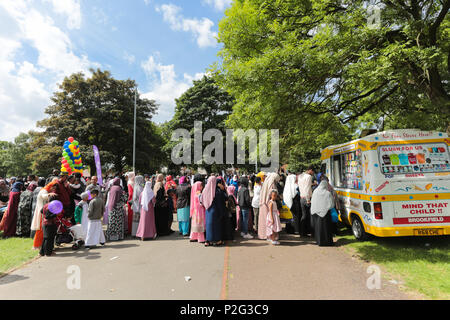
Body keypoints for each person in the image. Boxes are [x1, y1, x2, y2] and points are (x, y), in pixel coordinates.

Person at [31, 180, 58, 249]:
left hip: (43, 212)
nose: (53, 190)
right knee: (40, 229)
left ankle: (41, 245)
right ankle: (36, 245)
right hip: (42, 213)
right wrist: (49, 195)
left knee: (43, 230)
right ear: (50, 186)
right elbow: (43, 196)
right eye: (53, 188)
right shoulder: (44, 191)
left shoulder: (46, 190)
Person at [201, 176, 226, 247]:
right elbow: (220, 202)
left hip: (207, 210)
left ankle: (208, 241)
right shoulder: (217, 191)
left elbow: (201, 199)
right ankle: (217, 241)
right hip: (215, 211)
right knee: (216, 226)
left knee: (208, 226)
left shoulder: (205, 190)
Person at [310, 180, 335, 246]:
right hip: (325, 213)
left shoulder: (315, 191)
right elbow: (331, 204)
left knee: (318, 228)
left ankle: (319, 241)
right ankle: (326, 242)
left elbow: (312, 200)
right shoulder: (327, 193)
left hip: (315, 212)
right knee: (326, 228)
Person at [258, 172, 280, 240]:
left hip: (263, 202)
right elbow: (272, 193)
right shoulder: (271, 183)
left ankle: (264, 235)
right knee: (270, 221)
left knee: (264, 220)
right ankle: (270, 236)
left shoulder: (266, 181)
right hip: (268, 203)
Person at [298, 167, 315, 237]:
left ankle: (302, 232)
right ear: (310, 170)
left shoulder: (300, 176)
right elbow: (307, 188)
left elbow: (301, 186)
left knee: (304, 215)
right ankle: (312, 232)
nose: (313, 173)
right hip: (307, 197)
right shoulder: (309, 177)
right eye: (313, 171)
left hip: (301, 197)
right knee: (311, 215)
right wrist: (308, 199)